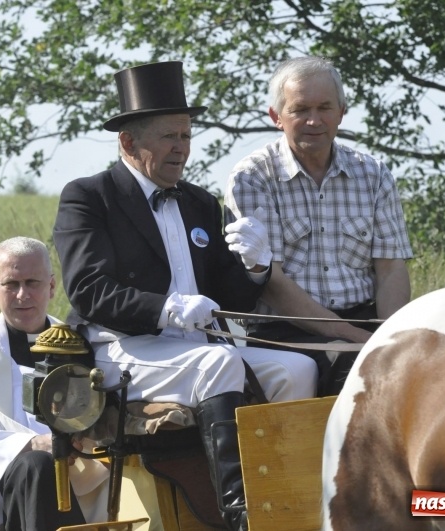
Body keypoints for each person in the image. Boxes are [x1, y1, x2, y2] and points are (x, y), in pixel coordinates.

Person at [53, 61, 317, 531]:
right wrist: (167, 309)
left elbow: (228, 298)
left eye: (186, 136)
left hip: (194, 348)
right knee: (220, 364)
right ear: (128, 143)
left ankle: (287, 501)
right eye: (169, 137)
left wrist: (256, 267)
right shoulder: (89, 197)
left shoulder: (199, 202)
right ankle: (241, 516)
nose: (182, 147)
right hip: (121, 347)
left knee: (298, 368)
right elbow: (90, 291)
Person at [224, 55, 413, 397]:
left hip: (366, 321)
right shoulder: (252, 178)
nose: (314, 120)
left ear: (342, 111)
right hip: (284, 331)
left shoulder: (373, 174)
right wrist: (357, 339)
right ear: (276, 117)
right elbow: (272, 284)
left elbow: (390, 269)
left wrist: (390, 336)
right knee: (355, 371)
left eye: (324, 107)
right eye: (300, 109)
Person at [0, 237, 109, 531]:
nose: (22, 295)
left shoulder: (85, 348)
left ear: (51, 286)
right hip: (15, 489)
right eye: (11, 284)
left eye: (32, 283)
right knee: (37, 465)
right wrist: (33, 444)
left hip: (87, 476)